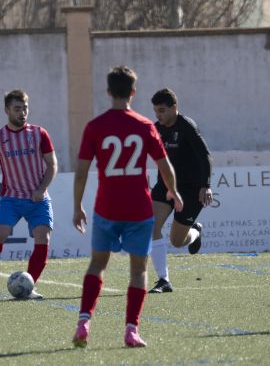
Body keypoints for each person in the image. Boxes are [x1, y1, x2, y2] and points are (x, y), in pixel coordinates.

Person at [71, 67, 183, 348]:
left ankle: (84, 322)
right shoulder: (145, 126)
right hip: (138, 209)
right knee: (138, 270)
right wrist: (173, 191)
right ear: (133, 92)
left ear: (108, 92)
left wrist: (77, 206)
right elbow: (165, 165)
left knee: (97, 265)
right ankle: (131, 330)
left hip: (107, 207)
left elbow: (82, 172)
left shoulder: (95, 126)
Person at [0, 89, 58, 299]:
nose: (22, 113)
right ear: (6, 110)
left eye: (25, 108)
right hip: (12, 198)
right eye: (17, 109)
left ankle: (30, 286)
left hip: (38, 199)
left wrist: (42, 189)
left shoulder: (39, 134)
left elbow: (52, 164)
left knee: (42, 237)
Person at [148, 88, 213, 294]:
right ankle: (163, 280)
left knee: (177, 241)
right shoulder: (156, 128)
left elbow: (205, 156)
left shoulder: (187, 126)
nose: (158, 115)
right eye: (156, 111)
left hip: (191, 189)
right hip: (165, 185)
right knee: (151, 225)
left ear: (174, 108)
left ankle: (196, 232)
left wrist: (206, 185)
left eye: (162, 110)